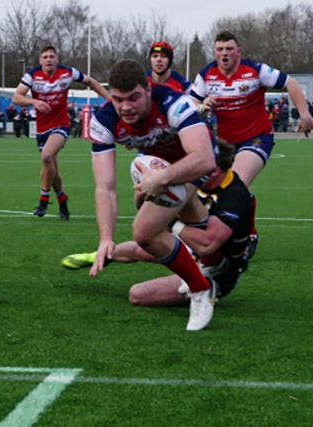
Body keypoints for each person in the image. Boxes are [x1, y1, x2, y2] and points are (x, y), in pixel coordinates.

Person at [88, 59, 217, 330]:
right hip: (155, 165)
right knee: (184, 219)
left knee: (144, 231)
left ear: (148, 89)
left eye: (134, 97)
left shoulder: (173, 103)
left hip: (192, 161)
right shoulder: (103, 120)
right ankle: (212, 260)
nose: (125, 107)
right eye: (118, 99)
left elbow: (204, 158)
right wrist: (105, 239)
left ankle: (200, 288)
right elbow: (105, 187)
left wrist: (161, 178)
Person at [62, 141, 252, 307]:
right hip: (192, 246)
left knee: (137, 295)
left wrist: (171, 223)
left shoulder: (235, 195)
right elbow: (144, 209)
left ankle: (207, 289)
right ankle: (98, 256)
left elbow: (208, 244)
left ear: (215, 169)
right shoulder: (196, 180)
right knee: (138, 247)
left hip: (218, 266)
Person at [190, 30, 313, 256]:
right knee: (209, 187)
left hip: (256, 138)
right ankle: (211, 234)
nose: (224, 53)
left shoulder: (255, 70)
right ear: (214, 52)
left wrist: (304, 114)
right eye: (220, 49)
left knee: (234, 184)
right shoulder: (206, 75)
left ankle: (247, 236)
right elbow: (191, 103)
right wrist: (201, 106)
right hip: (224, 145)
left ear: (239, 51)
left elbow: (291, 83)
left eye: (229, 49)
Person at [12, 45, 109, 220]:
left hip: (60, 125)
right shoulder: (32, 76)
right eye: (45, 57)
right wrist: (33, 101)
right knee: (53, 168)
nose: (49, 59)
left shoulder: (67, 73)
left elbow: (91, 82)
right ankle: (62, 200)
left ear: (57, 59)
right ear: (40, 61)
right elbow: (16, 97)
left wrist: (110, 100)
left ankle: (43, 199)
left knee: (46, 157)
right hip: (42, 128)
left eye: (52, 56)